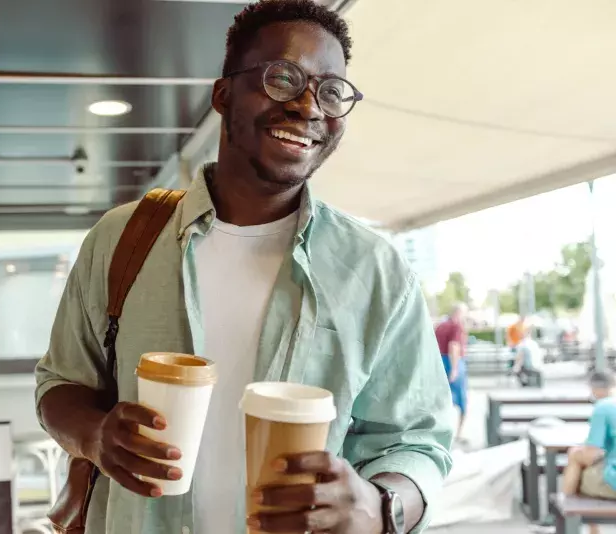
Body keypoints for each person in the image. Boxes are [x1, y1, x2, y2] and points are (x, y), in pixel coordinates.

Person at [35, 2, 454, 533]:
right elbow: (59, 386)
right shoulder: (123, 238)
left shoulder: (375, 271)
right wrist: (96, 437)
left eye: (330, 92)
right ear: (222, 94)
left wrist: (379, 507)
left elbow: (418, 442)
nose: (308, 106)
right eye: (282, 78)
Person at [561, 371, 616, 534]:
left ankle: (569, 518)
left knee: (576, 460)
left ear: (596, 389)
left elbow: (590, 454)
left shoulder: (605, 407)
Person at [435, 303, 468, 439]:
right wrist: (454, 369)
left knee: (442, 400)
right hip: (453, 362)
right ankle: (458, 434)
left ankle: (441, 431)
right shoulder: (457, 325)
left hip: (439, 363)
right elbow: (454, 346)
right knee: (461, 401)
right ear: (459, 313)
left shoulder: (440, 326)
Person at [511, 320, 545, 387]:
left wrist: (515, 368)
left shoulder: (522, 344)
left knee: (517, 369)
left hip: (529, 368)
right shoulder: (534, 343)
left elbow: (519, 359)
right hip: (539, 366)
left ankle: (524, 385)